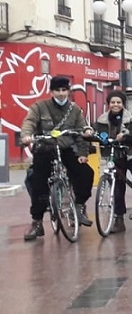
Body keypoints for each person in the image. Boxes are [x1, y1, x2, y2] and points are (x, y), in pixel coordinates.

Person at [20, 76, 96, 241]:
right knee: (38, 182)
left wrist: (83, 154)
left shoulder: (75, 110)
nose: (61, 93)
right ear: (51, 92)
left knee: (86, 173)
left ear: (68, 91)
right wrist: (26, 135)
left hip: (65, 149)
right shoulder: (39, 107)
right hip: (45, 149)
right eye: (57, 90)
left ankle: (79, 207)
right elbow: (29, 122)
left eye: (64, 90)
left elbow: (82, 132)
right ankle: (37, 222)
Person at [94, 90, 132, 233]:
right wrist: (88, 134)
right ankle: (119, 220)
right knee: (118, 190)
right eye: (113, 102)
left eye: (118, 102)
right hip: (116, 157)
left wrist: (126, 136)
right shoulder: (101, 120)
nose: (116, 105)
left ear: (123, 104)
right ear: (108, 104)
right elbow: (96, 134)